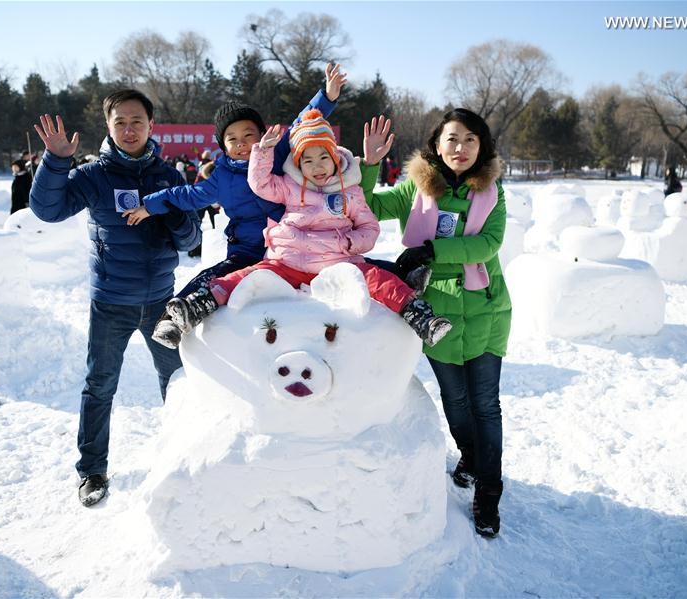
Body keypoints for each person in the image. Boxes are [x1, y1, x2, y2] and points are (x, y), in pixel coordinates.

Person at [29, 89, 202, 508]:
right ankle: (92, 471)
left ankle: (188, 459)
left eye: (137, 122)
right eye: (120, 122)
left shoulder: (169, 177)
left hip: (162, 300)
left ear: (151, 125)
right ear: (108, 126)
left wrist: (171, 211)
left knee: (180, 381)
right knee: (100, 384)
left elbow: (193, 241)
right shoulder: (93, 176)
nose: (129, 129)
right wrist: (55, 162)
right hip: (111, 301)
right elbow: (46, 210)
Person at [156, 111, 453, 349]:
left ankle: (420, 317)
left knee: (377, 278)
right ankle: (198, 306)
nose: (317, 166)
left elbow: (369, 229)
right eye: (307, 160)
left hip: (337, 261)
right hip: (288, 262)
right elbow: (259, 184)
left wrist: (348, 242)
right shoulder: (289, 187)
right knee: (243, 278)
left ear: (336, 157)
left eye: (323, 157)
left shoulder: (350, 192)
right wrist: (262, 151)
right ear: (298, 164)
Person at [360, 109, 511, 538]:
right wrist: (370, 165)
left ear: (481, 147)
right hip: (439, 311)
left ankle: (489, 491)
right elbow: (368, 206)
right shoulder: (417, 187)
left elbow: (489, 243)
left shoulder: (492, 193)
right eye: (452, 139)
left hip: (486, 308)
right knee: (455, 401)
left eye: (469, 140)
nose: (460, 148)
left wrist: (431, 250)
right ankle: (470, 456)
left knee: (485, 405)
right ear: (437, 144)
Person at [121, 63, 347, 347]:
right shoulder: (221, 178)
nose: (241, 144)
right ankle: (175, 318)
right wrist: (149, 205)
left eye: (248, 135)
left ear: (261, 136)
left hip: (291, 247)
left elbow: (302, 123)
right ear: (223, 144)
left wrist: (326, 96)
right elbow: (187, 195)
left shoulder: (275, 154)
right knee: (213, 277)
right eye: (232, 139)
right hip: (248, 250)